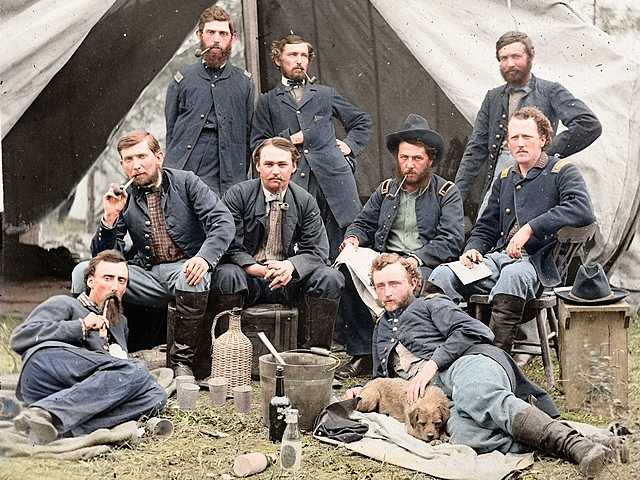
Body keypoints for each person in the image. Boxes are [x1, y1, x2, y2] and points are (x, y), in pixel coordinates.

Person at [345, 254, 619, 478]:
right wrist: (361, 391)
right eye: (380, 286)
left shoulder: (432, 305)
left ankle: (575, 445)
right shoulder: (381, 328)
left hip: (467, 364)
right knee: (465, 435)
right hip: (439, 396)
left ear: (414, 283)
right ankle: (582, 440)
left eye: (394, 284)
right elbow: (382, 377)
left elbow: (475, 330)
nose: (387, 292)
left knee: (477, 395)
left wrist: (432, 364)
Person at [71, 131, 240, 378]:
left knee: (192, 277)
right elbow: (106, 259)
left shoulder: (186, 182)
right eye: (129, 159)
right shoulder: (124, 197)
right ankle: (87, 349)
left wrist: (203, 258)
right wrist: (109, 218)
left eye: (142, 156)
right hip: (147, 274)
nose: (136, 165)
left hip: (185, 267)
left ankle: (181, 363)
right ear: (122, 164)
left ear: (159, 157)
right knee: (82, 272)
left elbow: (222, 222)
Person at [429, 107, 595, 354]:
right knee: (443, 275)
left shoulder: (561, 171)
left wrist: (530, 228)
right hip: (499, 259)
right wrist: (473, 249)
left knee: (513, 275)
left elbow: (582, 209)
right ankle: (449, 347)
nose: (520, 143)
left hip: (538, 264)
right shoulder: (506, 177)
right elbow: (486, 226)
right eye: (514, 137)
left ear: (543, 139)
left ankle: (496, 358)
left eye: (526, 136)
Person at [334, 114, 464, 378]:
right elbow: (362, 223)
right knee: (344, 269)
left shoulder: (446, 193)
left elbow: (451, 239)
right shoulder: (386, 190)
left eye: (417, 158)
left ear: (430, 160)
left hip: (423, 264)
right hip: (385, 259)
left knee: (408, 284)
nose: (409, 165)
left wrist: (416, 259)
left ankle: (404, 352)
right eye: (404, 158)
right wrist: (354, 238)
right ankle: (363, 352)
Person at [11, 250, 167, 444]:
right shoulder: (66, 304)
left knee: (156, 396)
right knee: (136, 369)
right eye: (108, 278)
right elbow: (20, 337)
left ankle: (55, 426)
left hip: (76, 390)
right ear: (90, 281)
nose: (115, 287)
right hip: (47, 368)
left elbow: (113, 371)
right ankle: (47, 413)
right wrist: (81, 326)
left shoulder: (120, 324)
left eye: (121, 281)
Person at [251, 34, 372, 260]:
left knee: (342, 249)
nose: (299, 60)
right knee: (302, 247)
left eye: (304, 56)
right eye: (292, 55)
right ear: (277, 60)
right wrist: (289, 139)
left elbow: (361, 121)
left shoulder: (325, 94)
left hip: (334, 181)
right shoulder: (268, 101)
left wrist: (349, 145)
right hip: (296, 183)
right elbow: (258, 145)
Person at [455, 30, 601, 214]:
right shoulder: (493, 97)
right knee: (486, 223)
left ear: (530, 57)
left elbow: (588, 124)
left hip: (536, 179)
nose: (510, 63)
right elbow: (476, 148)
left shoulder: (550, 90)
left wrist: (544, 152)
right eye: (504, 58)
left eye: (516, 56)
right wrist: (456, 196)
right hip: (501, 177)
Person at [222, 137, 344, 349]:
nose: (275, 171)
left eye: (282, 164)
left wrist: (291, 266)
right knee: (227, 275)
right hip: (249, 277)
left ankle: (314, 354)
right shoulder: (238, 195)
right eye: (269, 164)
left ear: (294, 167)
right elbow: (228, 243)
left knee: (330, 277)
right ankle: (227, 351)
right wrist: (254, 268)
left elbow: (318, 250)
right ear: (258, 166)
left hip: (289, 280)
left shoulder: (305, 201)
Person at [164, 4, 255, 194]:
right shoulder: (182, 80)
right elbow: (172, 131)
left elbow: (249, 133)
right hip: (188, 172)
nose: (216, 39)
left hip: (228, 175)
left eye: (223, 34)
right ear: (199, 35)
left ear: (233, 38)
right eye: (211, 32)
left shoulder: (244, 83)